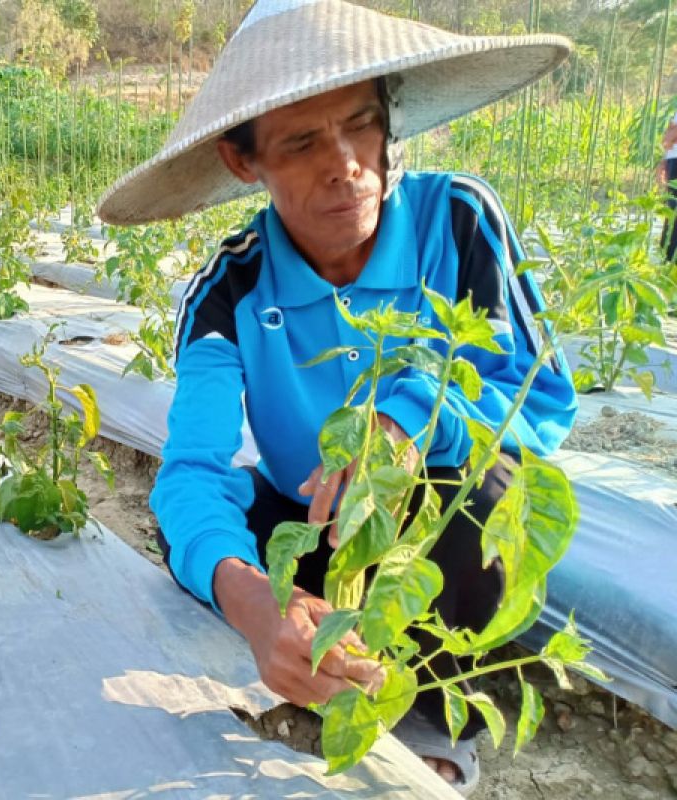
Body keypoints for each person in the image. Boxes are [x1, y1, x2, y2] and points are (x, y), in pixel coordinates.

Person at [96, 1, 578, 795]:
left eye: (361, 125)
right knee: (215, 531)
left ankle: (432, 705)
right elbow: (191, 468)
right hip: (314, 527)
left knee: (495, 490)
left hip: (434, 534)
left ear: (389, 123)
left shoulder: (456, 222)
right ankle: (309, 657)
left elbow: (543, 399)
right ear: (243, 159)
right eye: (302, 142)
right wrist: (252, 602)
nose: (347, 164)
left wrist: (407, 420)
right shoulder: (232, 288)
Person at [658, 108, 677, 262]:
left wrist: (671, 136)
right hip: (674, 159)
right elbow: (669, 135)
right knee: (672, 214)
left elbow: (670, 136)